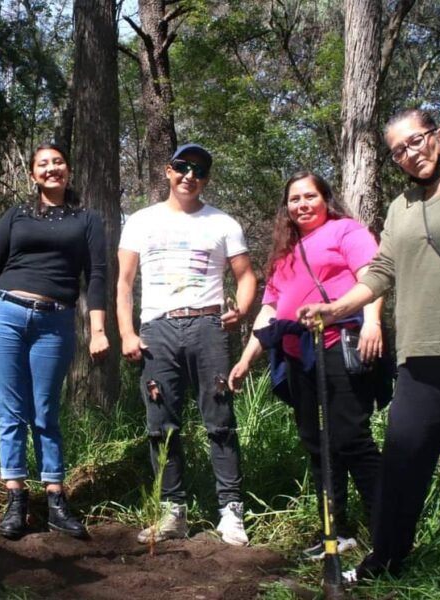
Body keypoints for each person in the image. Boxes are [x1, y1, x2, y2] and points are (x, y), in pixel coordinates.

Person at [298, 108, 440, 599]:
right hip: (420, 360)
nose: (410, 153)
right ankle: (386, 559)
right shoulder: (402, 207)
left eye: (417, 141)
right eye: (399, 150)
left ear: (439, 137)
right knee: (402, 467)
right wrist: (337, 305)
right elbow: (382, 268)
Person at [0, 143, 108, 541]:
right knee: (10, 411)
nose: (52, 169)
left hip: (56, 321)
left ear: (68, 170)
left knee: (46, 411)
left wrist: (98, 329)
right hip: (6, 315)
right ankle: (16, 498)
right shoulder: (16, 216)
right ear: (33, 174)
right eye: (43, 165)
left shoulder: (88, 220)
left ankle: (54, 499)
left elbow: (97, 275)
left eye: (58, 163)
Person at [228, 171, 384, 560]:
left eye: (309, 196)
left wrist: (374, 323)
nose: (302, 204)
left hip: (339, 346)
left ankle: (387, 532)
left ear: (325, 198)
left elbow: (374, 277)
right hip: (299, 356)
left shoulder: (346, 232)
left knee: (351, 438)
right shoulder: (285, 251)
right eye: (294, 199)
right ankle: (337, 531)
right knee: (317, 444)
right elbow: (270, 307)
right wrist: (247, 359)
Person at [117, 143, 257, 546]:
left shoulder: (223, 224)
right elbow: (124, 283)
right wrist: (127, 332)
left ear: (207, 178)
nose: (189, 175)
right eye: (182, 167)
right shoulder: (141, 221)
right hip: (157, 328)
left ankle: (231, 511)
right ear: (168, 171)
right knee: (161, 424)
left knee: (220, 419)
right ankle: (172, 512)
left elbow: (246, 276)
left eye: (199, 170)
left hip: (208, 326)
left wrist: (242, 309)